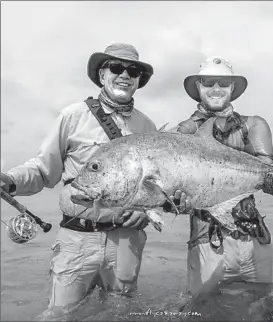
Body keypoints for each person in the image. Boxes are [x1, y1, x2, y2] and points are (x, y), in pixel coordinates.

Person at [0, 43, 157, 314]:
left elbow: (155, 186)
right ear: (101, 75)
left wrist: (148, 210)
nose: (125, 75)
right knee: (60, 314)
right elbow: (42, 170)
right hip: (77, 239)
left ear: (139, 80)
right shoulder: (72, 116)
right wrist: (9, 180)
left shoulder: (148, 127)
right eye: (116, 68)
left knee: (121, 314)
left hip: (127, 241)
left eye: (133, 70)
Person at [165, 57, 273, 296]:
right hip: (206, 241)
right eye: (208, 82)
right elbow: (167, 169)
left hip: (253, 238)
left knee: (267, 309)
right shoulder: (184, 131)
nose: (216, 88)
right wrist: (172, 203)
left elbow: (266, 171)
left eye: (223, 83)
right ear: (198, 87)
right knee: (205, 312)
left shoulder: (253, 124)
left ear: (232, 88)